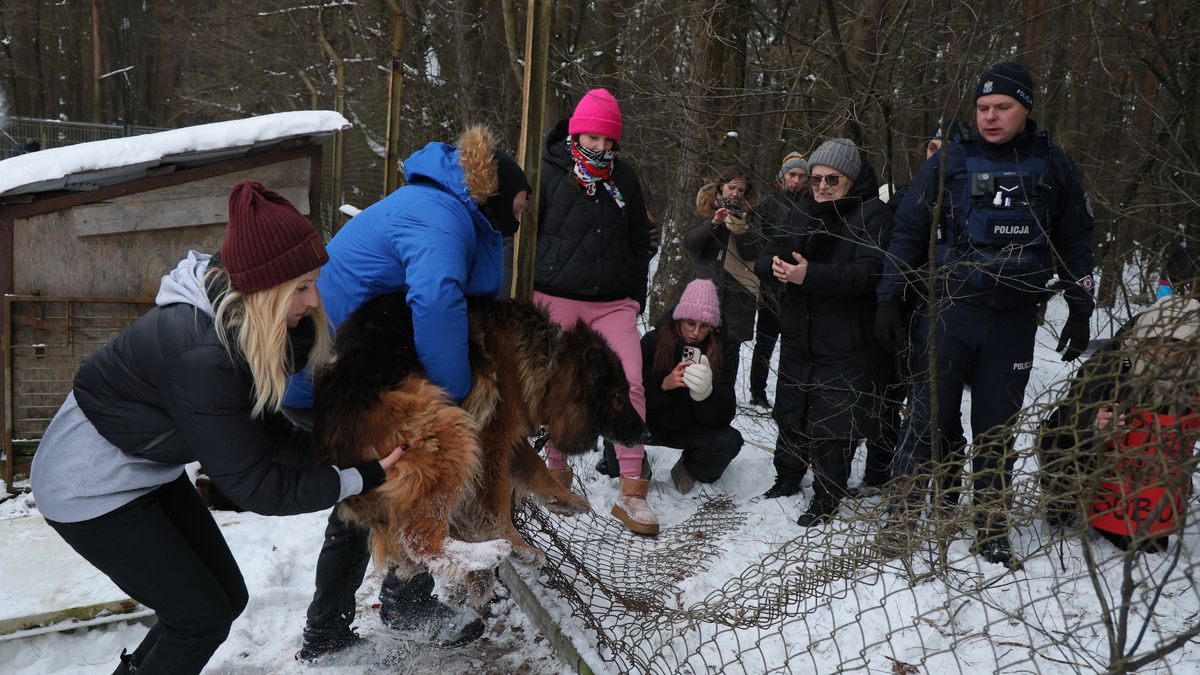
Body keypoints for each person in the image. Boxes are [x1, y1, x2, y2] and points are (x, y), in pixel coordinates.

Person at [28, 181, 405, 675]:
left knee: (225, 598)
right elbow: (258, 487)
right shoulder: (202, 357)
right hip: (88, 488)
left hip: (144, 470)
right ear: (265, 289)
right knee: (198, 618)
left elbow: (263, 435)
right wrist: (361, 477)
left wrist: (348, 454)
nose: (314, 301)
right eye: (302, 287)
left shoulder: (237, 327)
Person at [288, 126, 532, 659]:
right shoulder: (437, 215)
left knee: (369, 487)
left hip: (349, 366)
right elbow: (438, 298)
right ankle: (354, 620)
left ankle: (386, 605)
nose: (519, 219)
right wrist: (453, 390)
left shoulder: (444, 206)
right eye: (517, 205)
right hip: (326, 375)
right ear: (492, 196)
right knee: (358, 494)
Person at [875, 62, 1097, 567]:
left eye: (1002, 107)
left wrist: (1081, 307)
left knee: (996, 428)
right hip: (951, 311)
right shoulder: (950, 160)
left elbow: (1075, 242)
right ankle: (902, 520)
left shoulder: (1053, 164)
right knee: (926, 420)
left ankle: (991, 527)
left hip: (1014, 318)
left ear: (1026, 110)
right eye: (982, 108)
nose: (990, 117)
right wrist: (889, 298)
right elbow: (908, 231)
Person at [533, 88, 656, 534]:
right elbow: (525, 235)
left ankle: (632, 491)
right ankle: (555, 471)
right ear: (575, 133)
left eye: (609, 141)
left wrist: (636, 295)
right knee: (563, 383)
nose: (602, 148)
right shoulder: (547, 172)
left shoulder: (624, 178)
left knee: (631, 379)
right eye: (593, 139)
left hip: (613, 302)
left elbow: (640, 241)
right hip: (555, 295)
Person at [754, 138, 892, 526]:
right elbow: (766, 254)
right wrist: (775, 269)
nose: (822, 186)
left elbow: (867, 273)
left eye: (832, 178)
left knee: (835, 421)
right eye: (816, 179)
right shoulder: (802, 211)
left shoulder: (873, 215)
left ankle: (828, 496)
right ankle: (787, 478)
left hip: (847, 336)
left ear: (851, 178)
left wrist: (808, 275)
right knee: (792, 409)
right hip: (800, 331)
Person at [1039, 296, 1200, 553]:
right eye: (1155, 343)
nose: (1163, 354)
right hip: (1105, 458)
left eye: (1174, 347)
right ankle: (1065, 501)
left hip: (1157, 474)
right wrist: (1093, 419)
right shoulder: (1115, 357)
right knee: (1061, 437)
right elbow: (1075, 405)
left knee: (1148, 545)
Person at [642, 279, 743, 494]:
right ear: (679, 318)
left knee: (729, 441)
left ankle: (688, 469)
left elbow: (725, 415)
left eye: (705, 326)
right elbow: (631, 395)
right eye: (690, 323)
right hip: (652, 423)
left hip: (693, 427)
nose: (696, 332)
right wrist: (663, 384)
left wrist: (706, 395)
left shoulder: (725, 351)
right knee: (617, 431)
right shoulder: (653, 341)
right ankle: (637, 467)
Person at [683, 166, 761, 389]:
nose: (735, 194)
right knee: (696, 352)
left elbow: (753, 253)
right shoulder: (705, 209)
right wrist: (714, 223)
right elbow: (691, 244)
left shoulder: (752, 216)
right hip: (705, 289)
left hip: (737, 295)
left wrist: (742, 229)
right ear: (721, 186)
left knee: (727, 359)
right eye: (731, 187)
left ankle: (720, 407)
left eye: (741, 190)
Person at [749, 152, 808, 409]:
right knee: (766, 339)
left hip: (799, 282)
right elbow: (756, 240)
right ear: (782, 176)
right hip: (771, 283)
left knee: (795, 343)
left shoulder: (809, 204)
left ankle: (791, 393)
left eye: (801, 176)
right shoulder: (769, 202)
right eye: (791, 175)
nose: (796, 180)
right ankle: (757, 391)